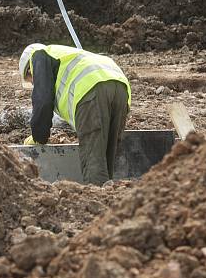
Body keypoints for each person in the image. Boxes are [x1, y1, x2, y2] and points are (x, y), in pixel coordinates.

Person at [19, 43, 131, 185]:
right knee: (107, 156)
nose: (34, 84)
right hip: (121, 88)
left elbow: (43, 101)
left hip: (91, 90)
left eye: (31, 80)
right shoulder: (68, 55)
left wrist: (38, 137)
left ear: (29, 70)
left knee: (93, 159)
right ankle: (109, 198)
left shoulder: (39, 56)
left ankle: (98, 202)